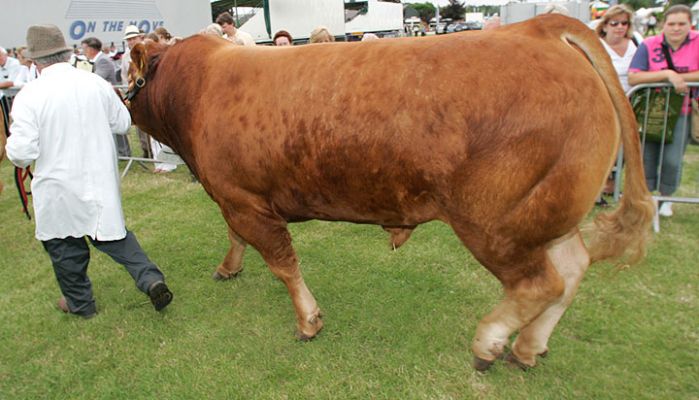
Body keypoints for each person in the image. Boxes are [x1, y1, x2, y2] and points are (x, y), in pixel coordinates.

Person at [5, 24, 173, 318]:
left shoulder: (29, 95)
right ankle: (150, 279)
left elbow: (21, 153)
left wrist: (13, 151)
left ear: (35, 60)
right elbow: (122, 124)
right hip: (98, 181)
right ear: (66, 53)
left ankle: (81, 304)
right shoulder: (95, 84)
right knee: (116, 237)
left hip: (58, 187)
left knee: (63, 246)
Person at [628, 5, 699, 217]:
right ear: (663, 25)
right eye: (671, 24)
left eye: (681, 24)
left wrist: (680, 78)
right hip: (652, 111)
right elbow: (634, 76)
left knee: (672, 158)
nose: (676, 28)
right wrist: (667, 74)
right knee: (647, 157)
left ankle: (667, 196)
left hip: (682, 111)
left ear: (690, 25)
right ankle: (648, 197)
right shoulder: (649, 45)